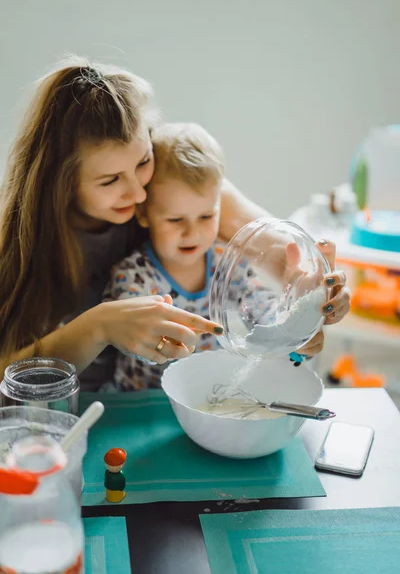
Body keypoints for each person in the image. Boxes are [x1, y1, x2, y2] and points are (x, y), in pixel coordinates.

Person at [0, 55, 350, 391]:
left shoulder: (167, 183)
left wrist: (313, 295)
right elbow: (7, 375)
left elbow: (280, 253)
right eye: (110, 181)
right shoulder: (20, 240)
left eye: (143, 161)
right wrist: (98, 326)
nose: (139, 193)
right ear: (58, 184)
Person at [104, 122, 347, 391]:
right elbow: (132, 343)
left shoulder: (226, 261)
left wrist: (298, 318)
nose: (192, 232)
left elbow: (264, 315)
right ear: (143, 214)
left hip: (205, 398)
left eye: (206, 216)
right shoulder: (132, 276)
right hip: (145, 403)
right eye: (175, 220)